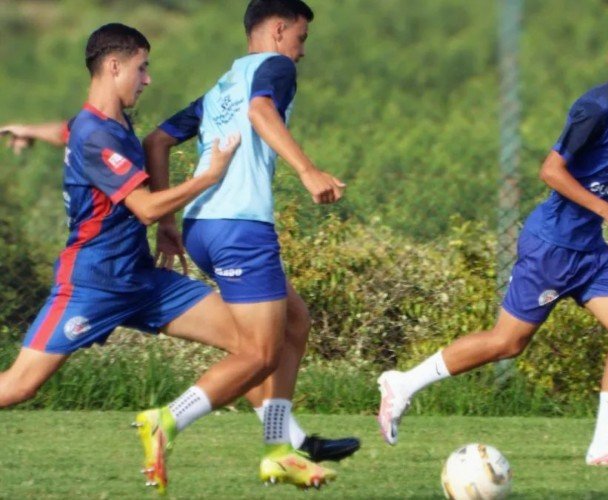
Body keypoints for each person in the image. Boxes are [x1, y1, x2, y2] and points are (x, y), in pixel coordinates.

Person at [0, 0, 359, 471]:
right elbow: (146, 206)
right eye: (141, 68)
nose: (148, 78)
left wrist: (26, 128)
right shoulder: (99, 135)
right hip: (93, 283)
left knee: (253, 347)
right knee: (18, 388)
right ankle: (187, 426)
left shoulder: (107, 123)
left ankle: (283, 446)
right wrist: (211, 178)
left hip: (145, 280)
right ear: (113, 66)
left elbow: (73, 132)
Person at [378, 20, 608, 467]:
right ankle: (404, 383)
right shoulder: (594, 109)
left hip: (589, 250)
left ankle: (603, 444)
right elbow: (550, 171)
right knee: (507, 343)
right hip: (552, 246)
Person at [142, 0, 350, 485]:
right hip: (240, 228)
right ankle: (167, 420)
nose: (300, 54)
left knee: (294, 322)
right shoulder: (275, 67)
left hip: (202, 228)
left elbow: (156, 140)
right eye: (301, 39)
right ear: (279, 31)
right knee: (258, 353)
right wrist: (307, 170)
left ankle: (279, 448)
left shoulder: (223, 83)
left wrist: (166, 220)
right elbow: (261, 111)